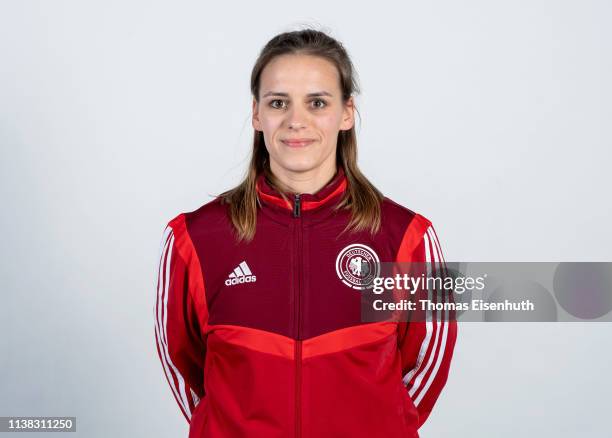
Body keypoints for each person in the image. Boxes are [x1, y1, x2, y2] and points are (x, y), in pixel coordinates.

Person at [154, 28, 458, 438]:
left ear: (346, 113)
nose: (297, 121)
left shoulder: (404, 236)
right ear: (257, 114)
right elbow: (183, 364)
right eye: (278, 103)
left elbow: (425, 362)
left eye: (317, 102)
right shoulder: (196, 238)